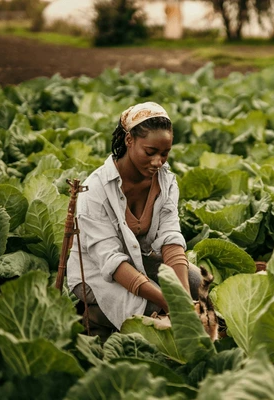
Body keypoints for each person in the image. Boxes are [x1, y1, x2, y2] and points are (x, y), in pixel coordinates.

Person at [66, 102, 201, 341]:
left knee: (193, 281)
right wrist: (166, 300)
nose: (158, 162)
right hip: (97, 271)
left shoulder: (166, 181)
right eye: (150, 152)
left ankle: (119, 313)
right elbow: (111, 262)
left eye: (165, 153)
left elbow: (170, 238)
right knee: (149, 308)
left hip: (139, 261)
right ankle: (94, 316)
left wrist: (182, 299)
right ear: (129, 141)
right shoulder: (96, 189)